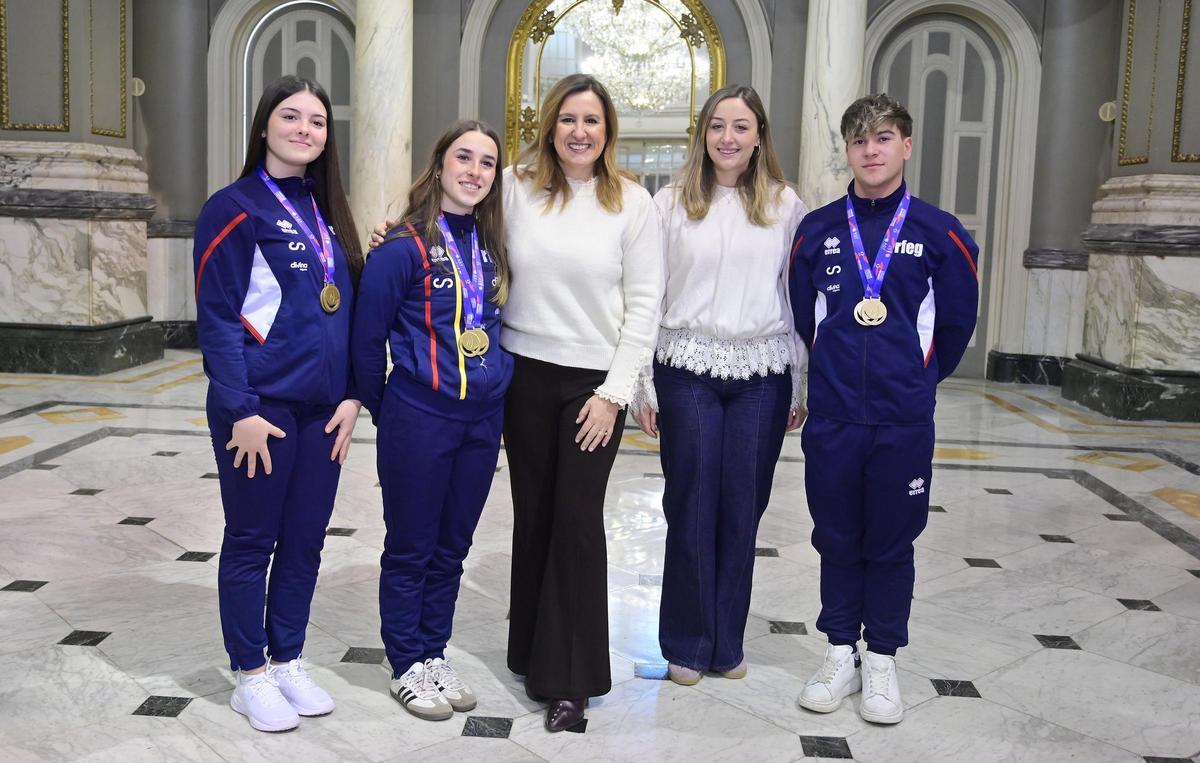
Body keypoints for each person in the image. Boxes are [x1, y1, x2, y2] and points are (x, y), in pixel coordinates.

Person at [375, 74, 663, 731]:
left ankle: (570, 680)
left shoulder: (633, 203)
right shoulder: (515, 186)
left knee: (576, 521)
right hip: (521, 374)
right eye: (568, 119)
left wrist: (615, 394)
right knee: (534, 515)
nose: (579, 132)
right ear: (549, 126)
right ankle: (530, 650)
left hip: (593, 384)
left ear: (608, 130)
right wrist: (391, 235)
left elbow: (646, 305)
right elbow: (450, 218)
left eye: (592, 120)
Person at [788, 93, 979, 725]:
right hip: (835, 417)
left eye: (884, 137)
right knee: (836, 536)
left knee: (893, 541)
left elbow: (956, 325)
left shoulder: (939, 232)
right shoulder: (816, 230)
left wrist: (914, 381)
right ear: (847, 150)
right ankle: (840, 650)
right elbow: (805, 317)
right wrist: (836, 376)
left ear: (906, 145)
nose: (871, 150)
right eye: (859, 140)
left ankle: (883, 658)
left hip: (902, 420)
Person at [192, 75, 363, 733]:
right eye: (290, 117)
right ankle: (250, 674)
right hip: (260, 411)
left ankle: (288, 658)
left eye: (317, 121)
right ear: (264, 125)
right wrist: (240, 409)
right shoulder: (234, 207)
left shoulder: (326, 212)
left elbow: (343, 311)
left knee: (306, 540)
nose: (304, 130)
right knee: (251, 539)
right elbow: (217, 318)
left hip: (323, 413)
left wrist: (352, 395)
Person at [630, 85, 809, 687]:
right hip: (686, 367)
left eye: (740, 127)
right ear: (702, 135)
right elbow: (649, 293)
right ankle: (686, 643)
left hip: (763, 373)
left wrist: (800, 381)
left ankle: (726, 643)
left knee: (742, 509)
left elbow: (797, 298)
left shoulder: (786, 206)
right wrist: (643, 384)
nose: (727, 138)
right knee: (692, 503)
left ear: (759, 138)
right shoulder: (671, 202)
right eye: (716, 126)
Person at [351, 120, 512, 722]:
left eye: (487, 163)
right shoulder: (401, 247)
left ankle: (433, 652)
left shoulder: (493, 247)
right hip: (419, 417)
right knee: (411, 548)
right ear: (439, 164)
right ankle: (405, 664)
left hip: (481, 422)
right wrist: (391, 410)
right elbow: (366, 343)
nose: (474, 171)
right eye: (463, 158)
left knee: (452, 548)